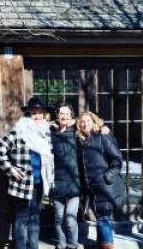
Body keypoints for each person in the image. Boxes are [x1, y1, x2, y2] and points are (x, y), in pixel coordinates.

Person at [0, 97, 55, 249]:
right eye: (34, 112)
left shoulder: (46, 133)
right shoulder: (19, 131)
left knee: (35, 217)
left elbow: (67, 127)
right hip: (23, 184)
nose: (37, 116)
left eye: (40, 112)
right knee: (21, 219)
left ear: (44, 114)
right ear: (28, 113)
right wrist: (11, 169)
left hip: (40, 182)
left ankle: (33, 247)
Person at [77, 111, 123, 249]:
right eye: (82, 122)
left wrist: (107, 177)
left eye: (88, 121)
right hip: (92, 189)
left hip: (105, 187)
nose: (85, 124)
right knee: (101, 218)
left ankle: (107, 246)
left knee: (103, 219)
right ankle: (101, 244)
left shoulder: (102, 137)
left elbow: (117, 159)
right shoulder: (81, 141)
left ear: (94, 122)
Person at [51, 103, 81, 249]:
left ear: (71, 116)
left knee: (70, 218)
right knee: (59, 218)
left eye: (67, 114)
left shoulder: (76, 132)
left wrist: (103, 127)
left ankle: (72, 245)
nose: (64, 116)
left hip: (74, 183)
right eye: (61, 113)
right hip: (57, 183)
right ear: (57, 116)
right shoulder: (51, 134)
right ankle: (61, 245)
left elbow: (91, 123)